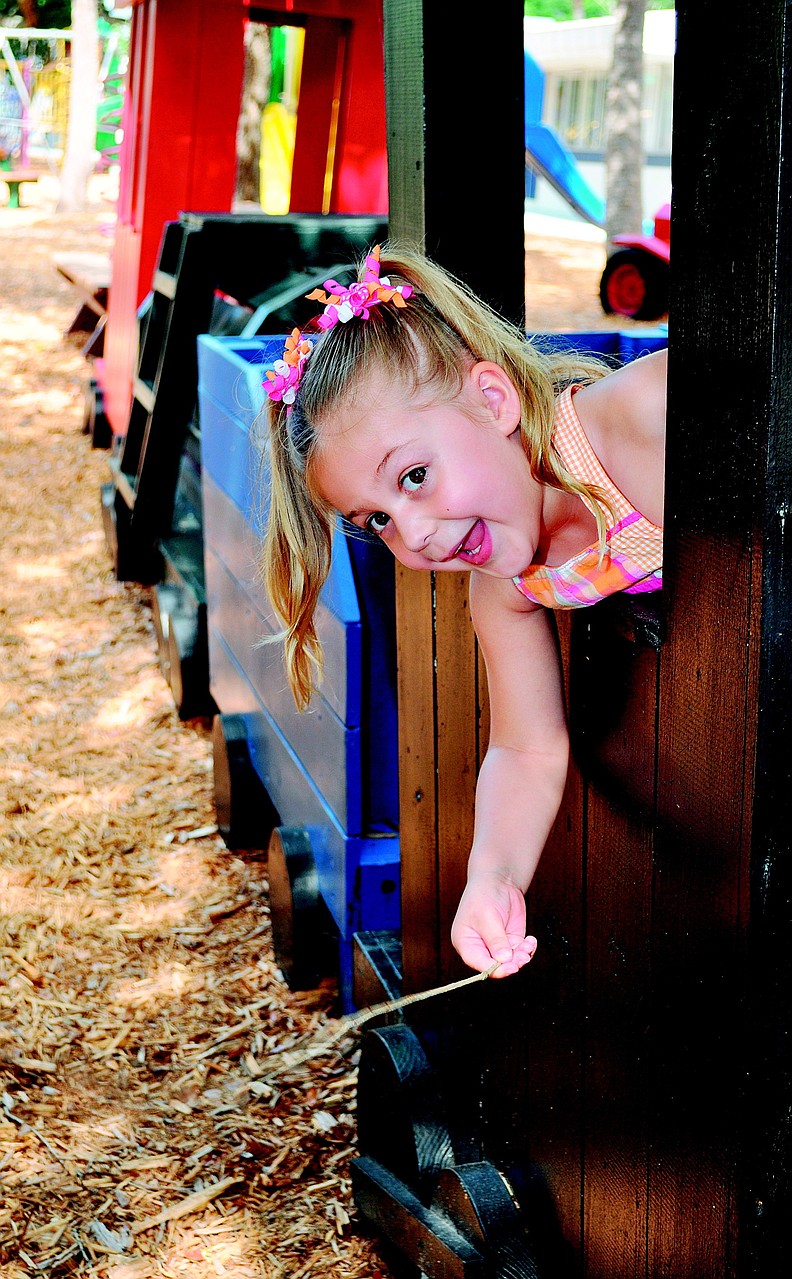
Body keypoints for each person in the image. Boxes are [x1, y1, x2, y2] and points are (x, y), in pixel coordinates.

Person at [261, 244, 667, 979]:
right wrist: (494, 877)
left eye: (414, 476)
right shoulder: (505, 586)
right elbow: (526, 748)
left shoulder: (639, 429)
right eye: (375, 519)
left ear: (493, 399)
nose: (411, 534)